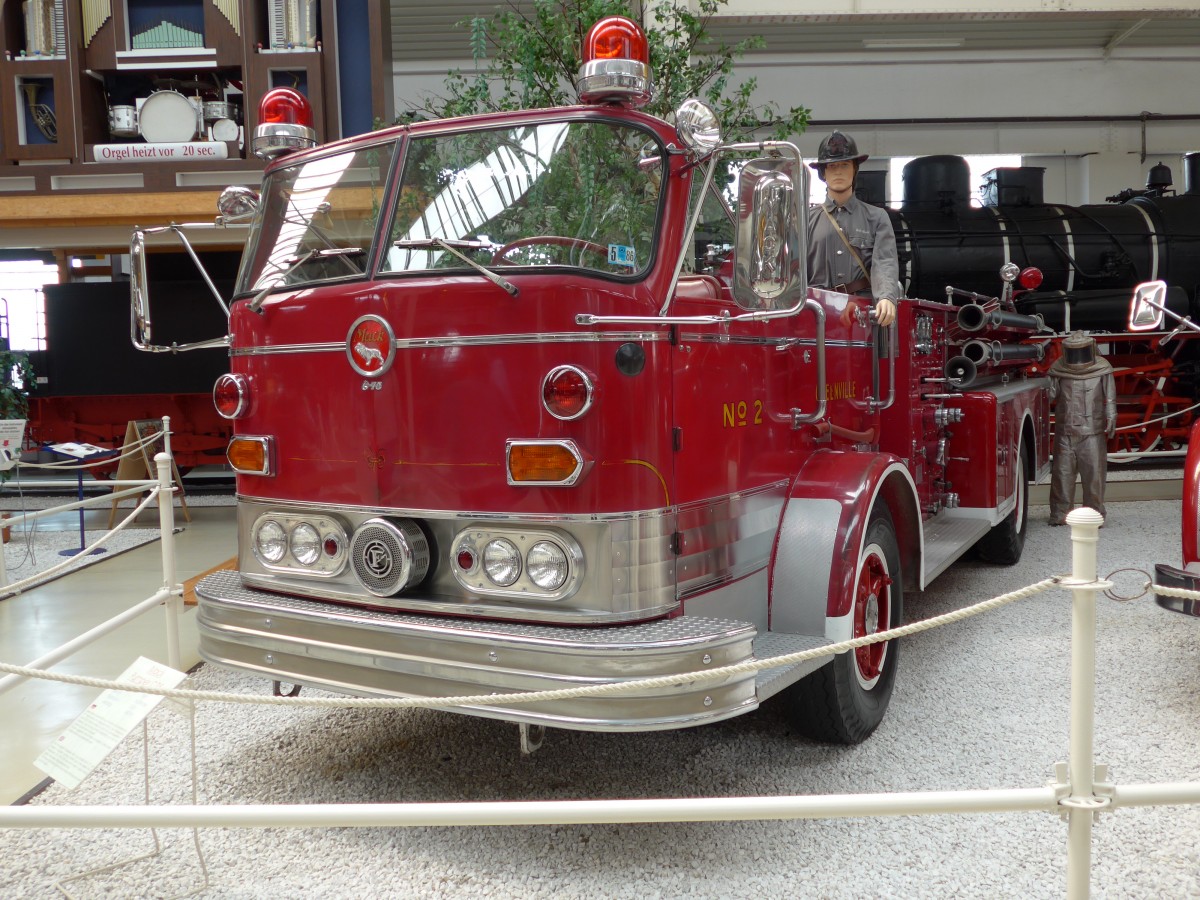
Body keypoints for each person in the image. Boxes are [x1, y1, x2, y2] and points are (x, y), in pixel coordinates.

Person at [806, 131, 900, 327]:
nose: (838, 171)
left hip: (862, 316)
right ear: (823, 173)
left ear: (855, 169)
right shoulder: (806, 220)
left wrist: (886, 297)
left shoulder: (876, 217)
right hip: (816, 315)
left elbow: (884, 261)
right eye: (832, 166)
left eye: (845, 165)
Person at [1047, 331, 1117, 525]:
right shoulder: (1058, 370)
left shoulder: (1102, 369)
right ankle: (1060, 514)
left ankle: (1094, 514)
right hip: (1065, 431)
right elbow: (1050, 396)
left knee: (1094, 475)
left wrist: (1112, 415)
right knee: (1062, 475)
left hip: (1092, 432)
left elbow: (1109, 396)